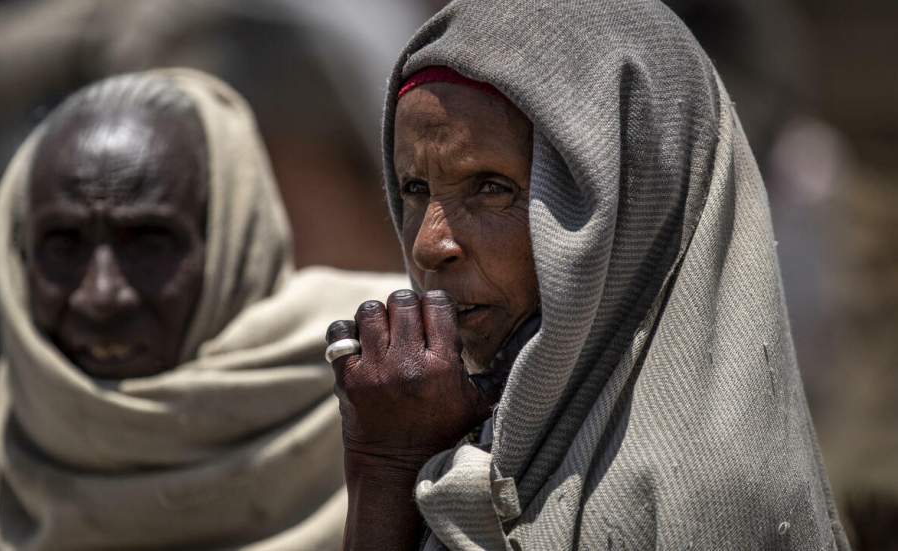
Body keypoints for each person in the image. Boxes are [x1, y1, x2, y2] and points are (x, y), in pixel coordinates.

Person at [324, 1, 852, 549]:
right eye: (414, 189)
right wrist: (387, 464)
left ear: (631, 208)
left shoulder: (681, 507)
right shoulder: (471, 436)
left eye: (490, 187)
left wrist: (384, 471)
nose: (430, 245)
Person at [0, 68, 404, 550]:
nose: (101, 295)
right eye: (64, 245)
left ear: (235, 242)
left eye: (149, 242)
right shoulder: (7, 471)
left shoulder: (395, 377)